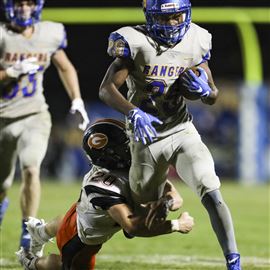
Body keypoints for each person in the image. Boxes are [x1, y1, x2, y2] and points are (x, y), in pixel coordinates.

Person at [98, 0, 241, 269]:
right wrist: (132, 112)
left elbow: (212, 94)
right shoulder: (135, 41)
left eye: (177, 17)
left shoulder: (196, 39)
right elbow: (106, 89)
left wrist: (206, 93)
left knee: (210, 187)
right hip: (146, 135)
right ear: (150, 17)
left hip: (181, 129)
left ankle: (233, 259)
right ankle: (161, 197)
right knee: (140, 211)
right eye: (165, 18)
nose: (173, 23)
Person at [16, 118, 194, 270]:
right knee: (63, 265)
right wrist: (177, 225)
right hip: (81, 239)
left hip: (81, 214)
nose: (133, 147)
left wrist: (166, 203)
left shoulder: (125, 166)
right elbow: (132, 226)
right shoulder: (104, 185)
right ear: (112, 155)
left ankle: (39, 231)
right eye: (127, 146)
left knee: (71, 220)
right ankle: (31, 262)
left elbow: (174, 195)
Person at [0, 0, 89, 251]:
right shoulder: (2, 35)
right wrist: (10, 72)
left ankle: (28, 230)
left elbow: (65, 66)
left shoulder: (49, 33)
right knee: (2, 184)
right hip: (2, 118)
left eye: (29, 3)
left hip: (34, 114)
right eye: (19, 3)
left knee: (30, 168)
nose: (25, 9)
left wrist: (78, 100)